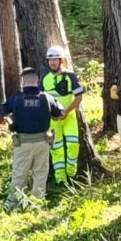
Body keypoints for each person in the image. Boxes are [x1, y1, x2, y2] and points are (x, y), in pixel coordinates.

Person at [2, 67, 65, 210]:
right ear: (37, 81)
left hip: (22, 142)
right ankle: (37, 204)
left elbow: (3, 110)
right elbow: (60, 113)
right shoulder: (46, 97)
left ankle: (13, 204)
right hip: (43, 141)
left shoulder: (17, 97)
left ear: (23, 82)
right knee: (41, 173)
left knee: (19, 173)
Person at [41, 45, 86, 185]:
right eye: (50, 60)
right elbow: (40, 99)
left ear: (62, 61)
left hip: (69, 117)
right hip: (52, 120)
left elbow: (79, 97)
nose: (52, 63)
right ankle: (61, 180)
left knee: (73, 144)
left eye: (55, 59)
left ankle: (71, 174)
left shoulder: (70, 76)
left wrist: (66, 112)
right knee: (56, 149)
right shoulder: (44, 78)